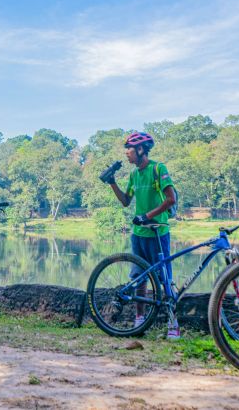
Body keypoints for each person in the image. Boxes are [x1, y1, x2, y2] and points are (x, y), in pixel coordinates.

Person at [103, 132, 179, 340]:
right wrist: (112, 183)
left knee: (165, 278)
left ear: (140, 150)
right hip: (139, 234)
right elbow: (126, 201)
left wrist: (147, 216)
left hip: (158, 232)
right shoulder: (134, 175)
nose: (126, 153)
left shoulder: (158, 169)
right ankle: (139, 320)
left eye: (129, 149)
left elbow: (170, 199)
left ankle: (173, 323)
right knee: (139, 278)